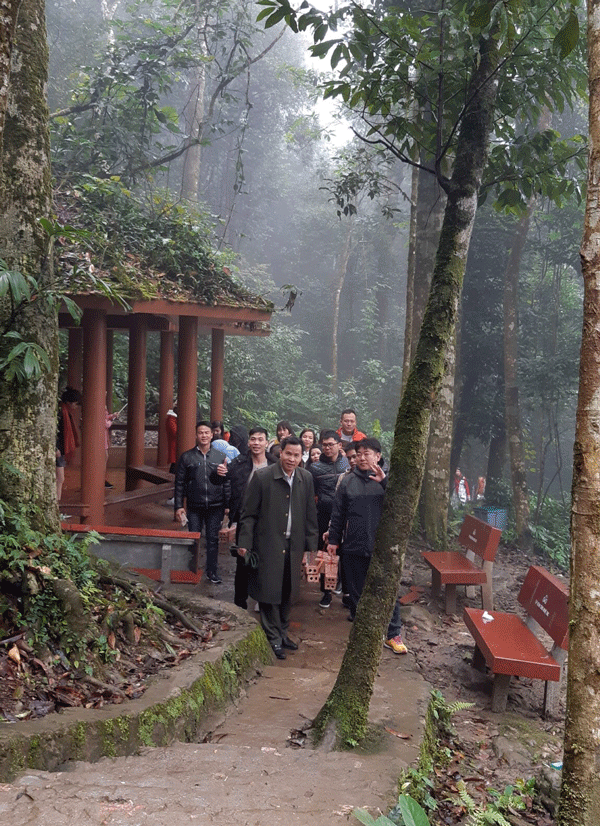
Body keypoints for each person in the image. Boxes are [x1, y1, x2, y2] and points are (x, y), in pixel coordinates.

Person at [237, 435, 318, 660]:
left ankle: (282, 632)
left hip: (294, 543)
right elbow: (249, 514)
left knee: (288, 590)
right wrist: (244, 542)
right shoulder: (263, 478)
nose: (292, 459)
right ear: (279, 453)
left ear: (302, 456)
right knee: (268, 589)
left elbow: (311, 513)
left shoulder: (306, 478)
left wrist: (311, 546)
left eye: (297, 455)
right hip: (268, 542)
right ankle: (272, 636)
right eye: (288, 454)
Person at [327, 438, 407, 655]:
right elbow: (338, 514)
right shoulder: (347, 481)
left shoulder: (387, 479)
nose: (362, 458)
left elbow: (401, 508)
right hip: (353, 545)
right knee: (354, 592)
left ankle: (393, 634)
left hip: (381, 547)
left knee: (388, 590)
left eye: (367, 453)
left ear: (378, 456)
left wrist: (384, 482)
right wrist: (334, 540)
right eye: (358, 454)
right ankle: (362, 634)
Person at [174, 421, 230, 584]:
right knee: (194, 538)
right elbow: (179, 483)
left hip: (215, 505)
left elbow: (226, 481)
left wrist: (227, 505)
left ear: (212, 435)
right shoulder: (187, 457)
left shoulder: (220, 456)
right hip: (194, 506)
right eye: (201, 433)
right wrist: (178, 506)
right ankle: (192, 569)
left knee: (212, 539)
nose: (204, 435)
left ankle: (212, 572)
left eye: (207, 432)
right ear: (196, 435)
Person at [227, 427, 276, 609]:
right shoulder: (240, 462)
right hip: (245, 518)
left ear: (266, 442)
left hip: (268, 520)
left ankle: (261, 597)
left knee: (265, 560)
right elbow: (220, 480)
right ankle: (240, 602)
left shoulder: (274, 464)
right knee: (243, 560)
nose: (256, 443)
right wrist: (219, 473)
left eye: (260, 439)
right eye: (253, 439)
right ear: (248, 442)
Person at [308, 429, 349, 608]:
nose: (327, 448)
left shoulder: (347, 464)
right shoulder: (315, 467)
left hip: (346, 516)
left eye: (331, 445)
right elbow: (311, 494)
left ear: (339, 445)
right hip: (323, 515)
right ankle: (326, 592)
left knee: (345, 554)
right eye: (324, 445)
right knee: (325, 554)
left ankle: (346, 589)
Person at [56, 386, 82, 500]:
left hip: (59, 449)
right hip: (57, 450)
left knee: (59, 478)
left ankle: (56, 505)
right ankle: (55, 505)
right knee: (59, 478)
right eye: (75, 404)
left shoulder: (65, 412)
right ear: (68, 402)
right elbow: (53, 431)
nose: (76, 407)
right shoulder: (61, 413)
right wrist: (55, 448)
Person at [165, 405, 178, 473]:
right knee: (175, 463)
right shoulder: (171, 419)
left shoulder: (173, 419)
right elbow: (175, 433)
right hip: (175, 445)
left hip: (175, 444)